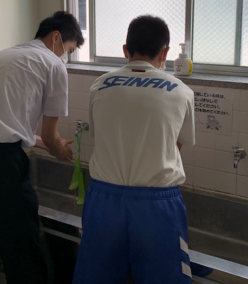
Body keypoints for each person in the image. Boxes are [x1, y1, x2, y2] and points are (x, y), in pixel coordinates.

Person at [0, 11, 84, 284]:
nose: (66, 57)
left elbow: (2, 123)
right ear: (56, 37)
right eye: (69, 50)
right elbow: (49, 135)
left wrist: (45, 143)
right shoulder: (53, 64)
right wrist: (58, 149)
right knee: (22, 251)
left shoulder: (2, 56)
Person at [73, 15, 195, 284]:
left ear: (125, 50)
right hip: (157, 205)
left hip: (104, 201)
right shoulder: (182, 91)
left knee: (97, 278)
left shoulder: (100, 85)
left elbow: (100, 136)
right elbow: (175, 146)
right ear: (165, 52)